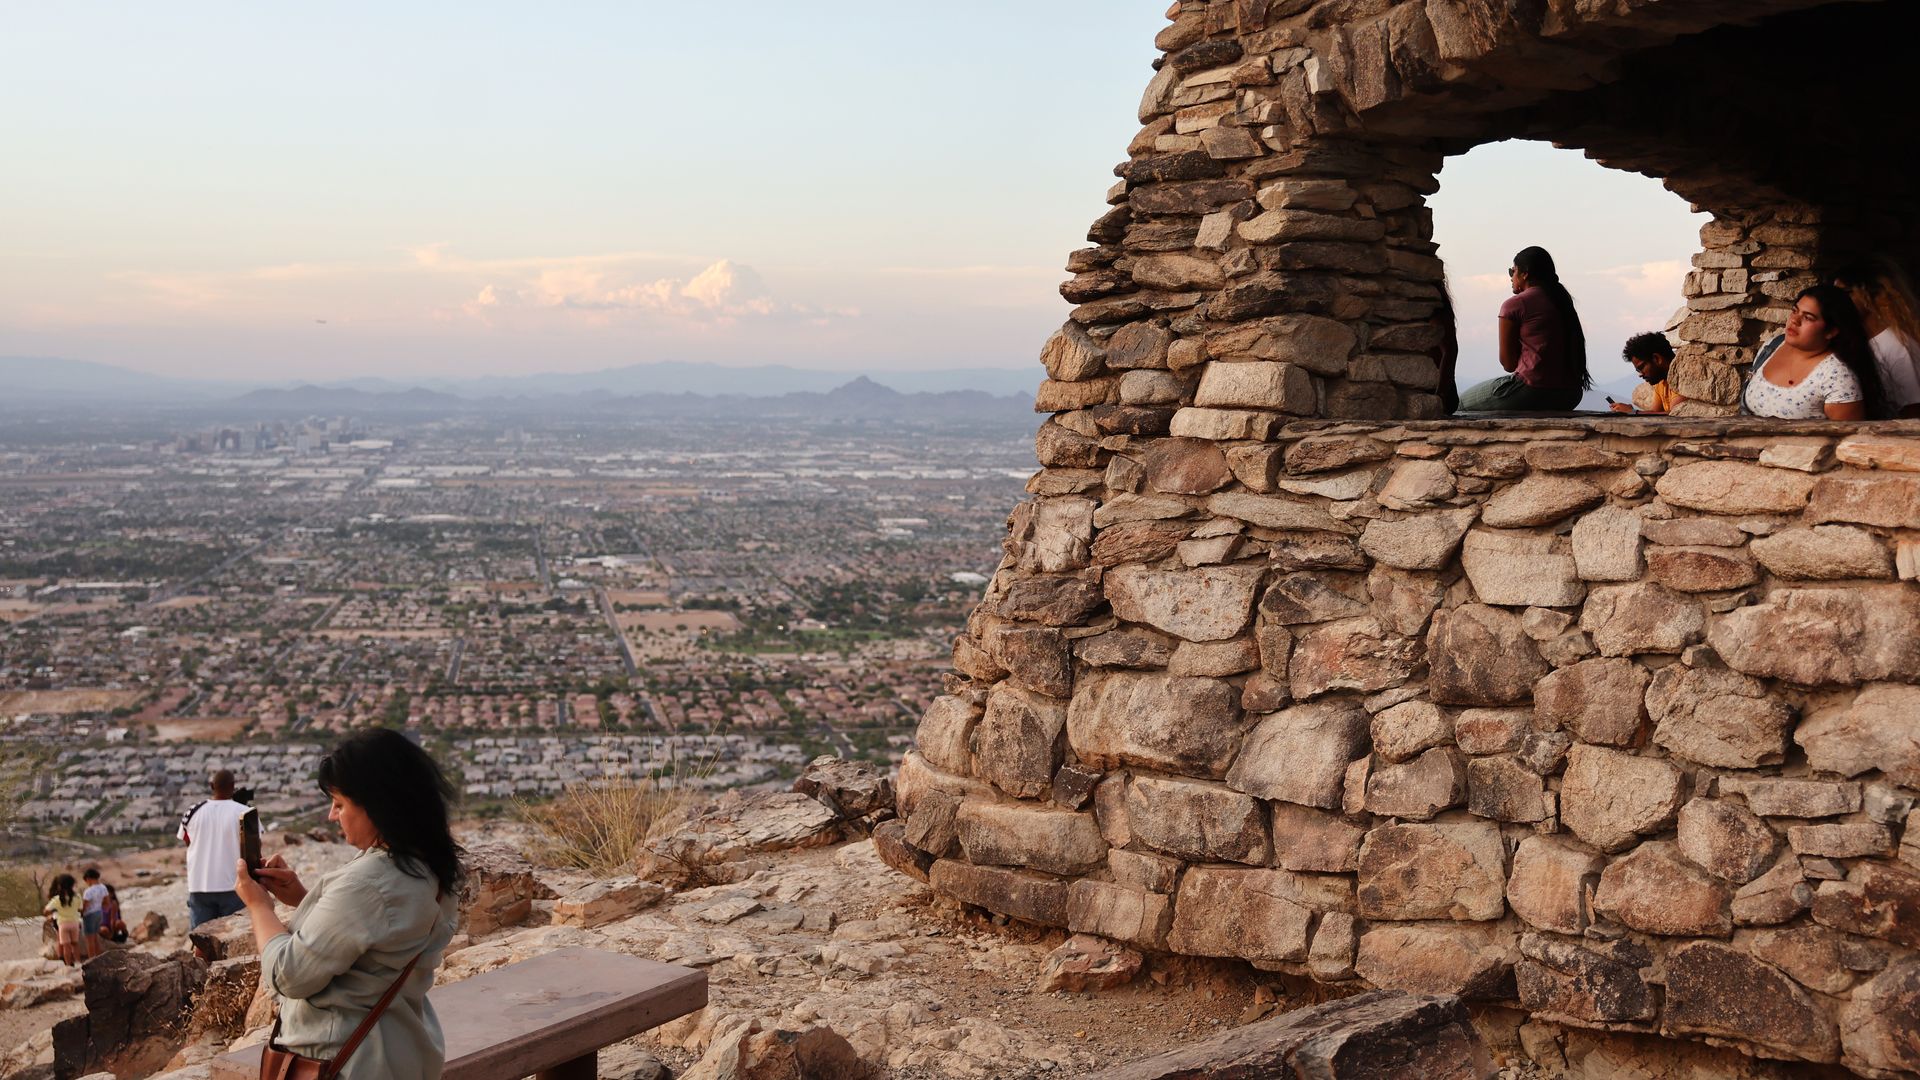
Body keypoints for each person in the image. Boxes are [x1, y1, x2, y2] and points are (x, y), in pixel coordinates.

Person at [235, 728, 462, 1079]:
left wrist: (258, 905)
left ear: (377, 804)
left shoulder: (367, 882)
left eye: (340, 804)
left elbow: (287, 974)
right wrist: (302, 897)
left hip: (344, 1061)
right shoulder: (429, 864)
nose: (331, 815)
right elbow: (379, 934)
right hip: (403, 1049)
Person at [1458, 246, 1591, 413]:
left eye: (1512, 271)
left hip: (1532, 390)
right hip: (1570, 395)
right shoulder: (1563, 301)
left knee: (1461, 403)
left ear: (1524, 273)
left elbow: (1508, 363)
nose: (1511, 277)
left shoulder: (1515, 304)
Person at [1742, 284, 1884, 420]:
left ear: (1831, 331)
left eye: (1808, 317)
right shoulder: (1771, 346)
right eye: (1794, 311)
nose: (1794, 320)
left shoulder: (1836, 377)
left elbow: (1848, 440)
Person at [1832, 258, 1920, 418]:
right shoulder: (1855, 340)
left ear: (1874, 295)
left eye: (1846, 293)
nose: (1836, 301)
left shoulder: (1899, 348)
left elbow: (1914, 412)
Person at [179, 769, 254, 929]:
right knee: (234, 938)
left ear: (211, 785)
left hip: (200, 885)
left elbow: (188, 842)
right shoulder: (244, 812)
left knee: (201, 940)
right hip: (234, 885)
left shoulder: (192, 812)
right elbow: (254, 848)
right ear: (233, 786)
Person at [1611, 332, 1683, 414]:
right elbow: (1655, 412)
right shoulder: (1661, 381)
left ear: (1657, 359)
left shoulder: (1682, 376)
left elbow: (1675, 414)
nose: (1640, 374)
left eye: (1641, 367)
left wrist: (1633, 412)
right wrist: (1630, 412)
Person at [43, 873, 83, 967]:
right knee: (75, 944)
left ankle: (68, 965)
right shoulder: (77, 897)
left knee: (66, 946)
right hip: (74, 923)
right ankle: (78, 962)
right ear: (72, 885)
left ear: (60, 885)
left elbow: (45, 911)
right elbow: (81, 909)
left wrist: (55, 911)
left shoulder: (57, 899)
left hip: (63, 924)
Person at [79, 867, 107, 960]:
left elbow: (85, 905)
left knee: (89, 940)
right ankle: (100, 958)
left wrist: (81, 913)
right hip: (99, 912)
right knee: (95, 938)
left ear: (88, 879)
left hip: (89, 915)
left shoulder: (88, 891)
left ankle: (92, 959)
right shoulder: (103, 887)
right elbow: (106, 901)